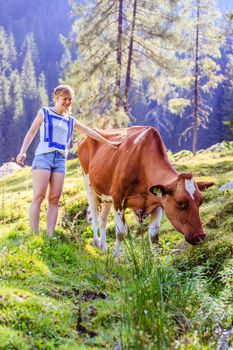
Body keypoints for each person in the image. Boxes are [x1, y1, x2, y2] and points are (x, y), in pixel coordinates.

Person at [16, 84, 120, 236]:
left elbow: (89, 132)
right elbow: (32, 131)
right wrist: (22, 151)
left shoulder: (70, 120)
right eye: (65, 99)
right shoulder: (44, 112)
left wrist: (109, 142)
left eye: (70, 100)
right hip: (43, 157)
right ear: (56, 97)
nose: (67, 102)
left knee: (54, 199)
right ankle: (35, 235)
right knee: (38, 196)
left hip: (60, 161)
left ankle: (50, 236)